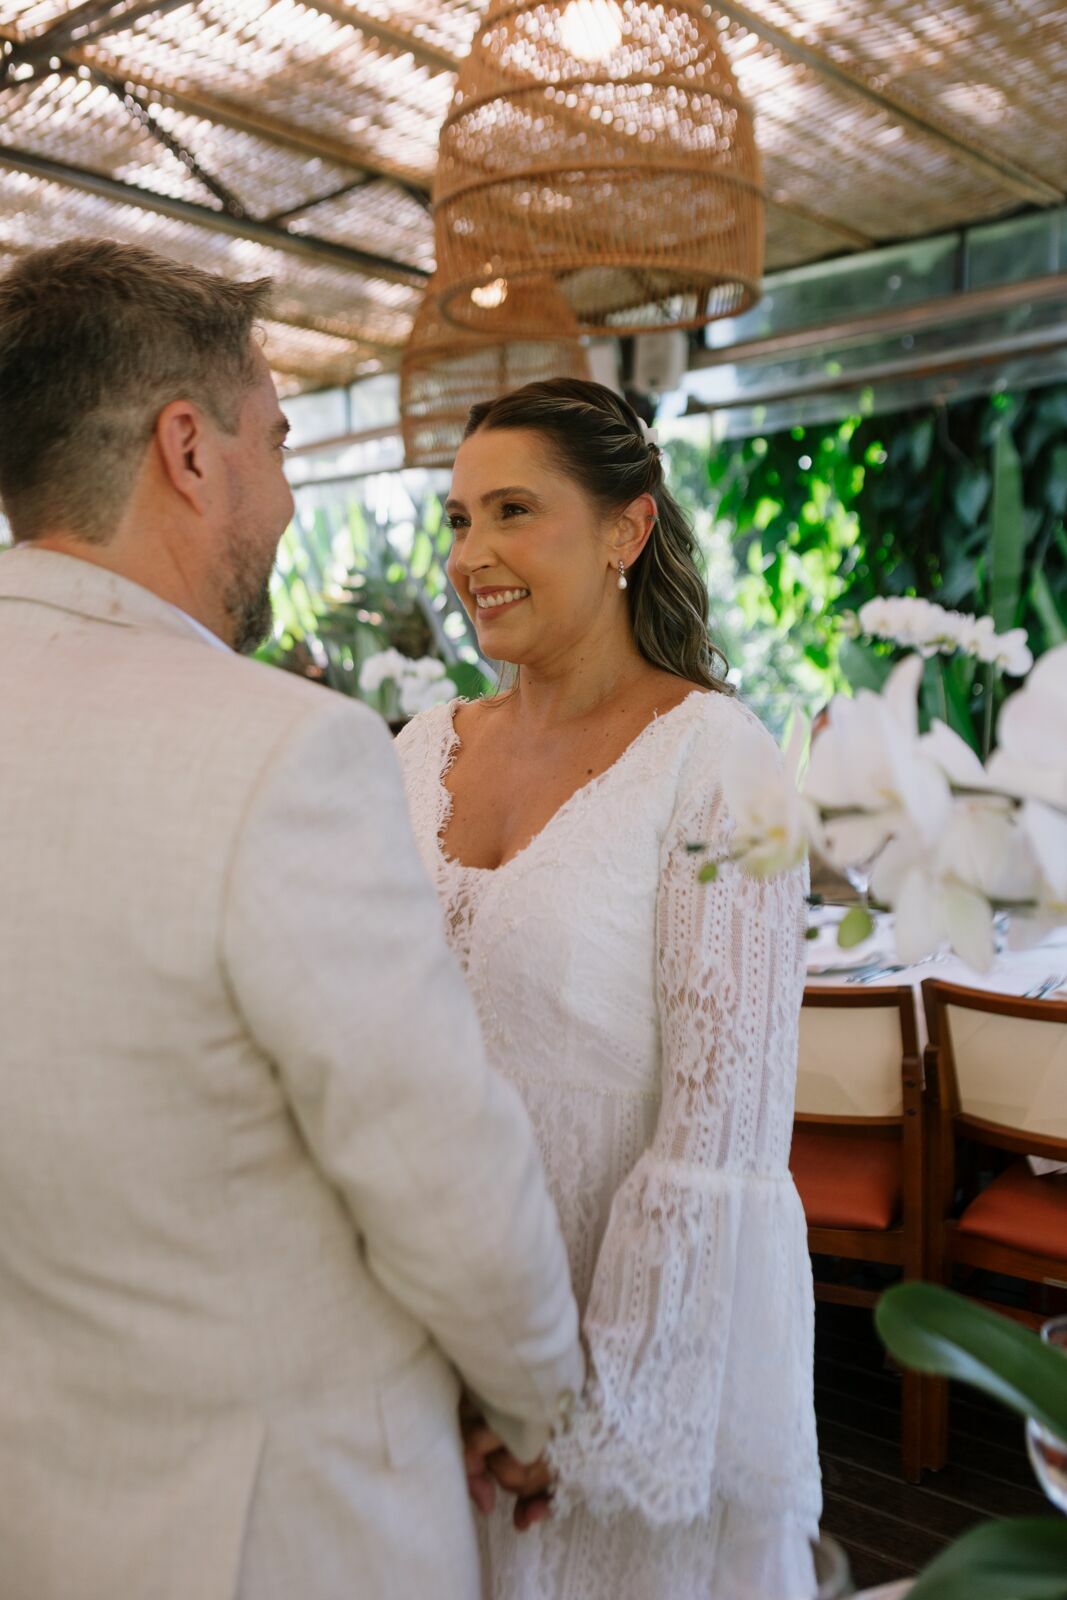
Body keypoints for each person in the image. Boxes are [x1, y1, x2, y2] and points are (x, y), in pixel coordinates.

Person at [0, 240, 583, 1600]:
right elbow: (436, 1169)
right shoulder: (283, 750)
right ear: (187, 450)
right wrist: (533, 1401)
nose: (284, 487)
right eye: (275, 438)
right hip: (279, 1529)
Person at [396, 379, 822, 1600]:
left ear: (624, 530)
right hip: (421, 1343)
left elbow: (722, 1132)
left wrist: (572, 1411)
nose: (472, 555)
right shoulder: (416, 748)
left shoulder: (724, 761)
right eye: (458, 519)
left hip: (622, 1351)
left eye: (512, 511)